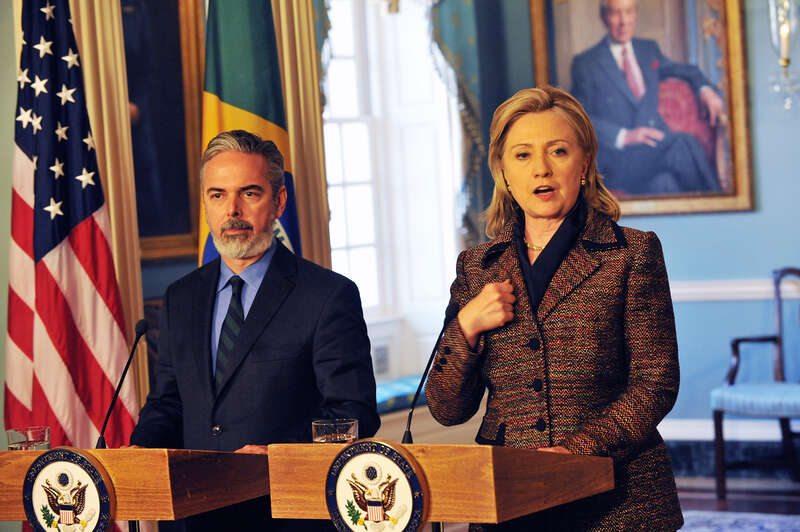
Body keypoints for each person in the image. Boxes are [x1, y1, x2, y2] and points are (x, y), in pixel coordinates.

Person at [425, 87, 682, 531]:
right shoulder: (476, 267)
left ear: (584, 163)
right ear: (503, 170)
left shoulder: (632, 253)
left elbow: (655, 384)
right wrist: (465, 328)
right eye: (522, 155)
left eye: (558, 151)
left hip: (617, 503)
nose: (541, 169)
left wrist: (573, 456)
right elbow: (448, 409)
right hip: (507, 502)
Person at [130, 130, 381, 531]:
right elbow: (169, 403)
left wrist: (277, 455)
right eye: (217, 195)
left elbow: (353, 416)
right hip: (193, 517)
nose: (232, 211)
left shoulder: (328, 296)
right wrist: (137, 451)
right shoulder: (181, 297)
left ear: (278, 201)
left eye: (249, 194)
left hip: (284, 515)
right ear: (206, 204)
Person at [570, 0, 724, 195]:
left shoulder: (648, 50)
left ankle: (715, 212)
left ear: (635, 14)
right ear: (604, 17)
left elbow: (687, 71)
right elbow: (578, 120)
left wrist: (706, 90)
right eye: (615, 13)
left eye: (628, 12)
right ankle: (721, 200)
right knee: (683, 143)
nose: (623, 21)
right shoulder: (586, 63)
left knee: (665, 185)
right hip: (619, 160)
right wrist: (626, 136)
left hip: (655, 153)